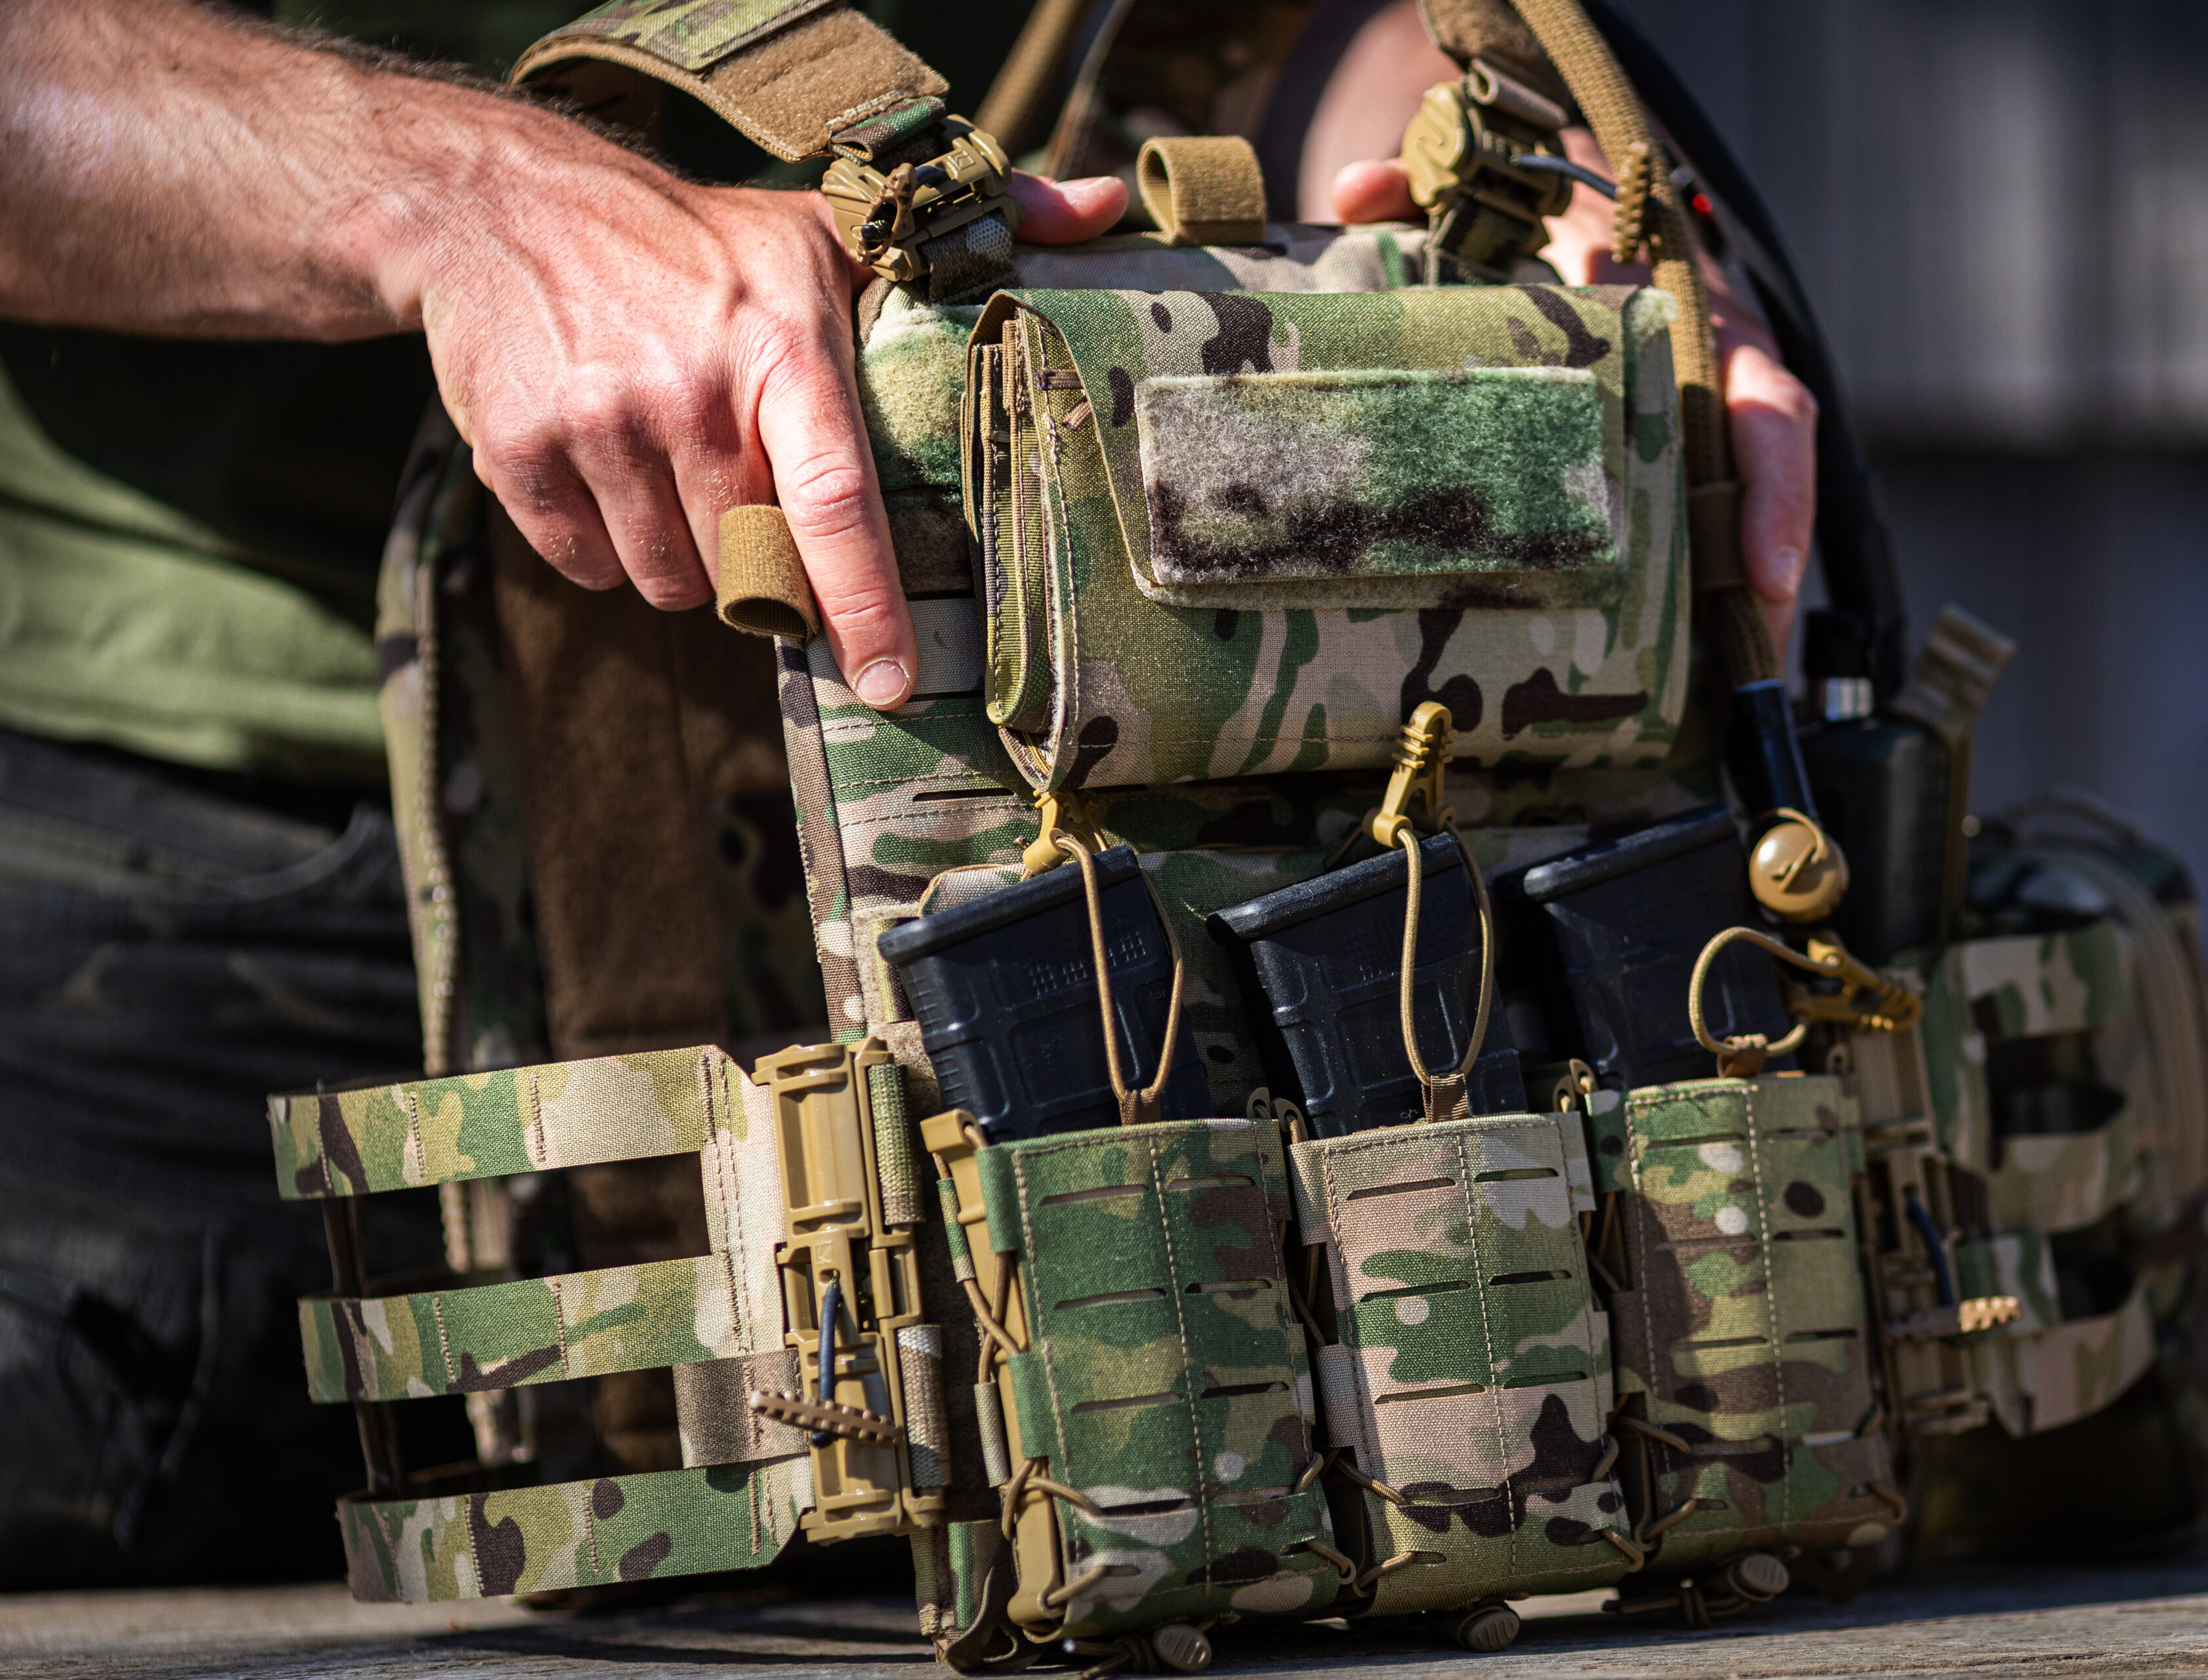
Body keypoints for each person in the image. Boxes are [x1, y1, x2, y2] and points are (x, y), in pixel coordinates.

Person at [0, 0, 1814, 1586]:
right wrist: (464, 194)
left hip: (1146, 925)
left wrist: (1519, 216)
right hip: (217, 954)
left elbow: (1328, 32)